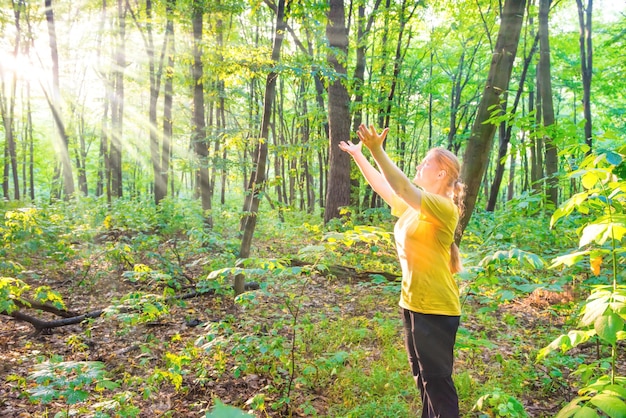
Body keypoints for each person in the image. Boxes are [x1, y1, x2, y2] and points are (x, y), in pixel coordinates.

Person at [339, 124, 465, 418]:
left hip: (436, 309)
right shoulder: (416, 207)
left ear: (441, 173)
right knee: (422, 379)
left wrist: (377, 149)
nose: (420, 165)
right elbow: (385, 187)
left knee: (437, 383)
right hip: (411, 304)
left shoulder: (444, 208)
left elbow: (402, 186)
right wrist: (360, 155)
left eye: (426, 162)